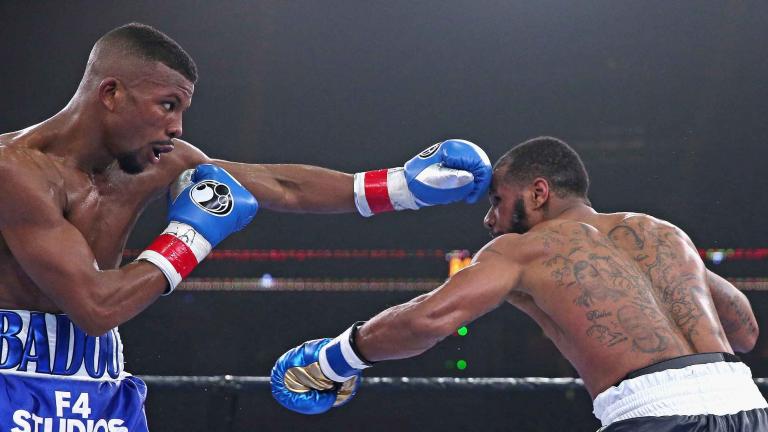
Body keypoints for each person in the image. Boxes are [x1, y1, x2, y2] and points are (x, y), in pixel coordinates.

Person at [0, 23, 492, 431]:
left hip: (102, 385)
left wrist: (402, 187)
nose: (177, 128)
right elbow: (95, 306)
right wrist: (192, 236)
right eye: (167, 105)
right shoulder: (14, 171)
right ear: (111, 93)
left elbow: (280, 185)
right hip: (11, 380)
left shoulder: (154, 162)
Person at [271, 136, 767, 431]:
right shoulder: (663, 233)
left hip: (657, 417)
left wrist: (338, 356)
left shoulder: (523, 249)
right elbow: (744, 333)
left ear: (539, 191)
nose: (489, 220)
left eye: (497, 202)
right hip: (746, 405)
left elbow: (431, 318)